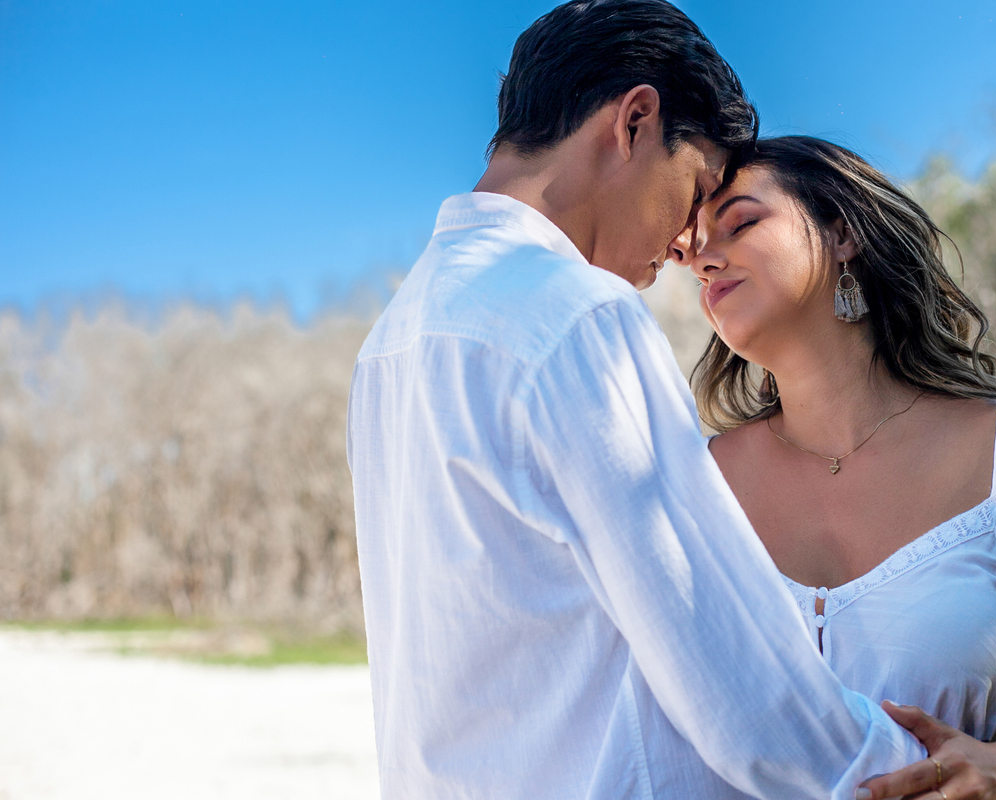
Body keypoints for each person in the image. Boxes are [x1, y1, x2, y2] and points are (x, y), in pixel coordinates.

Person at [347, 2, 938, 798]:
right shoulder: (574, 312)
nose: (687, 245)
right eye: (694, 190)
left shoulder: (391, 341)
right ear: (634, 121)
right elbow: (737, 684)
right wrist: (924, 777)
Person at [680, 135, 996, 800]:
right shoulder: (690, 482)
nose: (706, 261)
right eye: (691, 252)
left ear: (844, 233)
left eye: (741, 223)